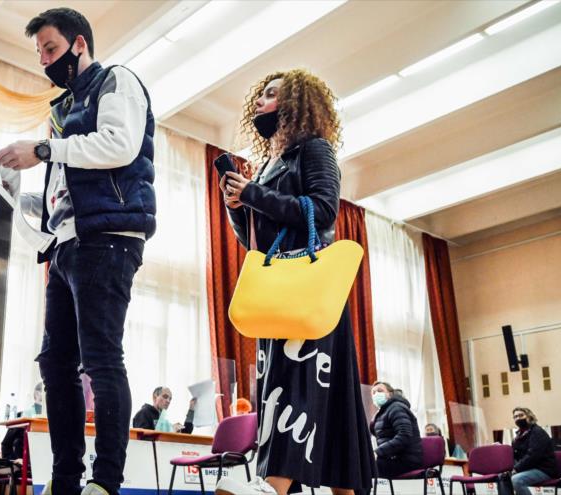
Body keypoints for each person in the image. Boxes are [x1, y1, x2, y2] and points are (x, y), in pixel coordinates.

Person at [0, 7, 155, 495]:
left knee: (102, 359)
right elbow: (65, 186)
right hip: (65, 246)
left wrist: (43, 150)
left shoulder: (117, 81)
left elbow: (119, 146)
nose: (44, 59)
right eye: (40, 51)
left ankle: (104, 482)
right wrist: (5, 187)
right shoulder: (62, 110)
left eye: (51, 48)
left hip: (108, 238)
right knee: (54, 362)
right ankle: (65, 480)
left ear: (79, 43)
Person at [214, 69, 375, 495]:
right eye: (261, 96)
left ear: (296, 105)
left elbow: (322, 212)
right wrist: (237, 203)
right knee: (326, 399)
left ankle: (271, 484)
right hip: (283, 293)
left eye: (272, 95)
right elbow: (253, 238)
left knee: (294, 385)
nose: (262, 102)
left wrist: (252, 194)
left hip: (309, 291)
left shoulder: (315, 150)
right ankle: (331, 486)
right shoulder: (267, 166)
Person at [370, 381, 424, 479]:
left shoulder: (396, 408)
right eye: (373, 393)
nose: (376, 394)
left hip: (406, 460)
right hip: (392, 458)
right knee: (361, 464)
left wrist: (377, 452)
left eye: (380, 391)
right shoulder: (383, 413)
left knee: (363, 467)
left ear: (390, 394)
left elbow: (404, 436)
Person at [503, 407, 557, 495]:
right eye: (515, 417)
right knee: (503, 477)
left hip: (544, 470)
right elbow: (515, 455)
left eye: (521, 415)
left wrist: (516, 469)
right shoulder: (518, 436)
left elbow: (533, 455)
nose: (518, 418)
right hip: (528, 469)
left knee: (517, 480)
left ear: (529, 416)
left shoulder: (537, 432)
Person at [132, 386, 196, 433]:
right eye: (165, 397)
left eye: (170, 399)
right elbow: (142, 439)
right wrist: (170, 431)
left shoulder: (164, 421)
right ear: (155, 397)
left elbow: (186, 433)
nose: (168, 401)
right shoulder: (143, 413)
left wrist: (191, 409)